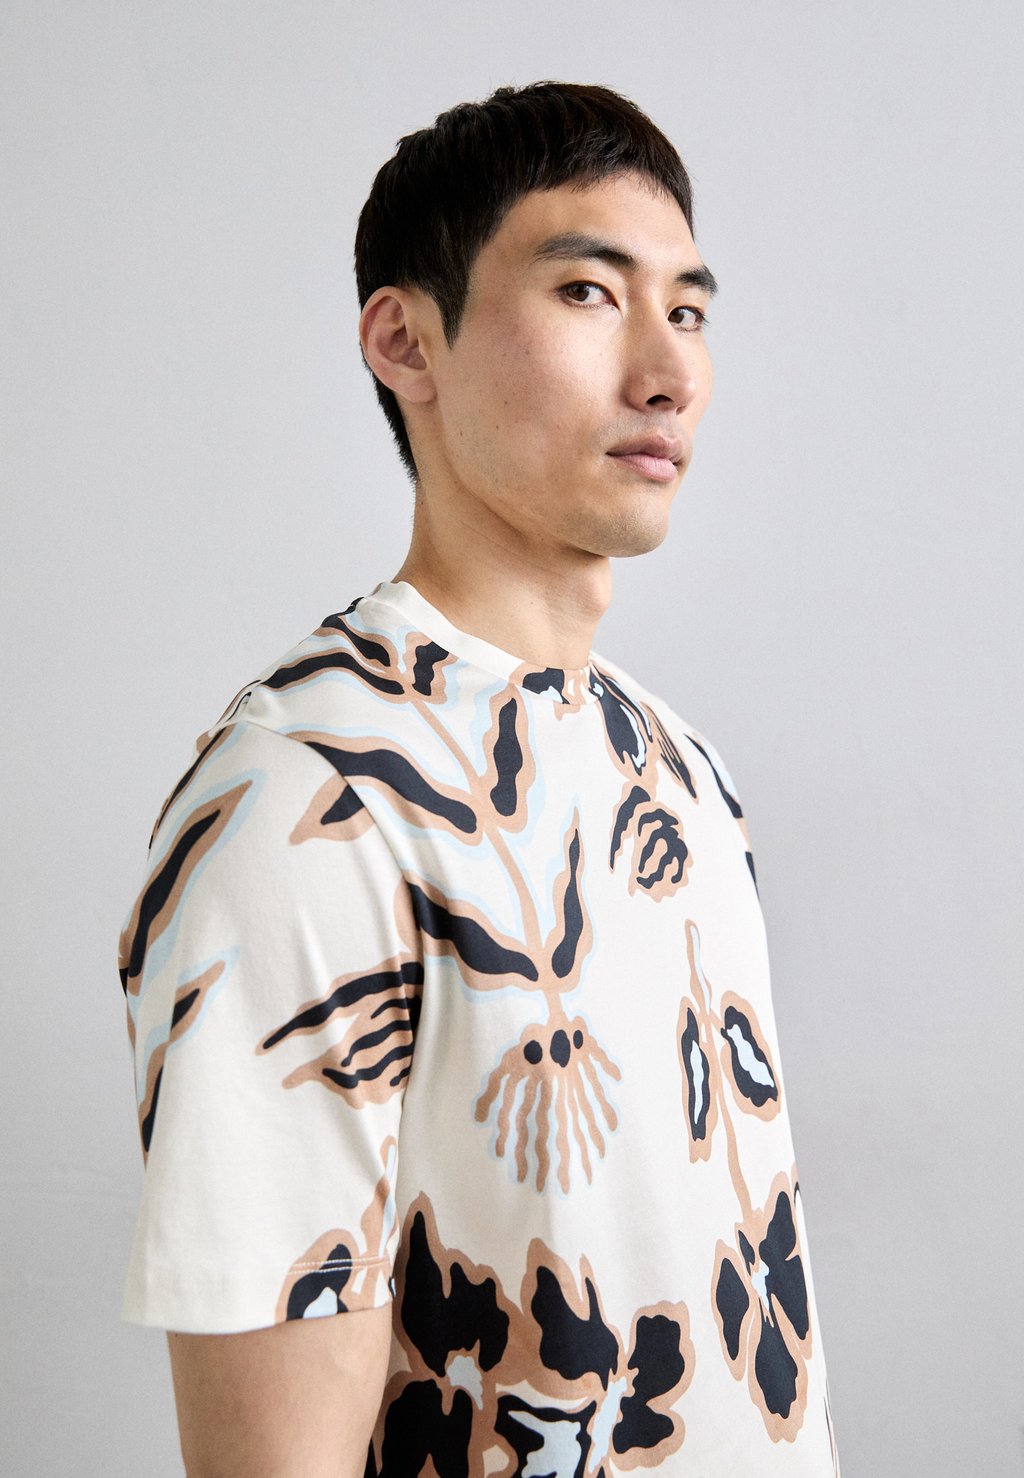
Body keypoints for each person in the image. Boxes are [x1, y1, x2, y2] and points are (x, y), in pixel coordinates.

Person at [117, 80, 841, 1477]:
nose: (669, 372)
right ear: (406, 341)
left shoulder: (680, 768)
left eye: (690, 310)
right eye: (588, 293)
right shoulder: (304, 801)